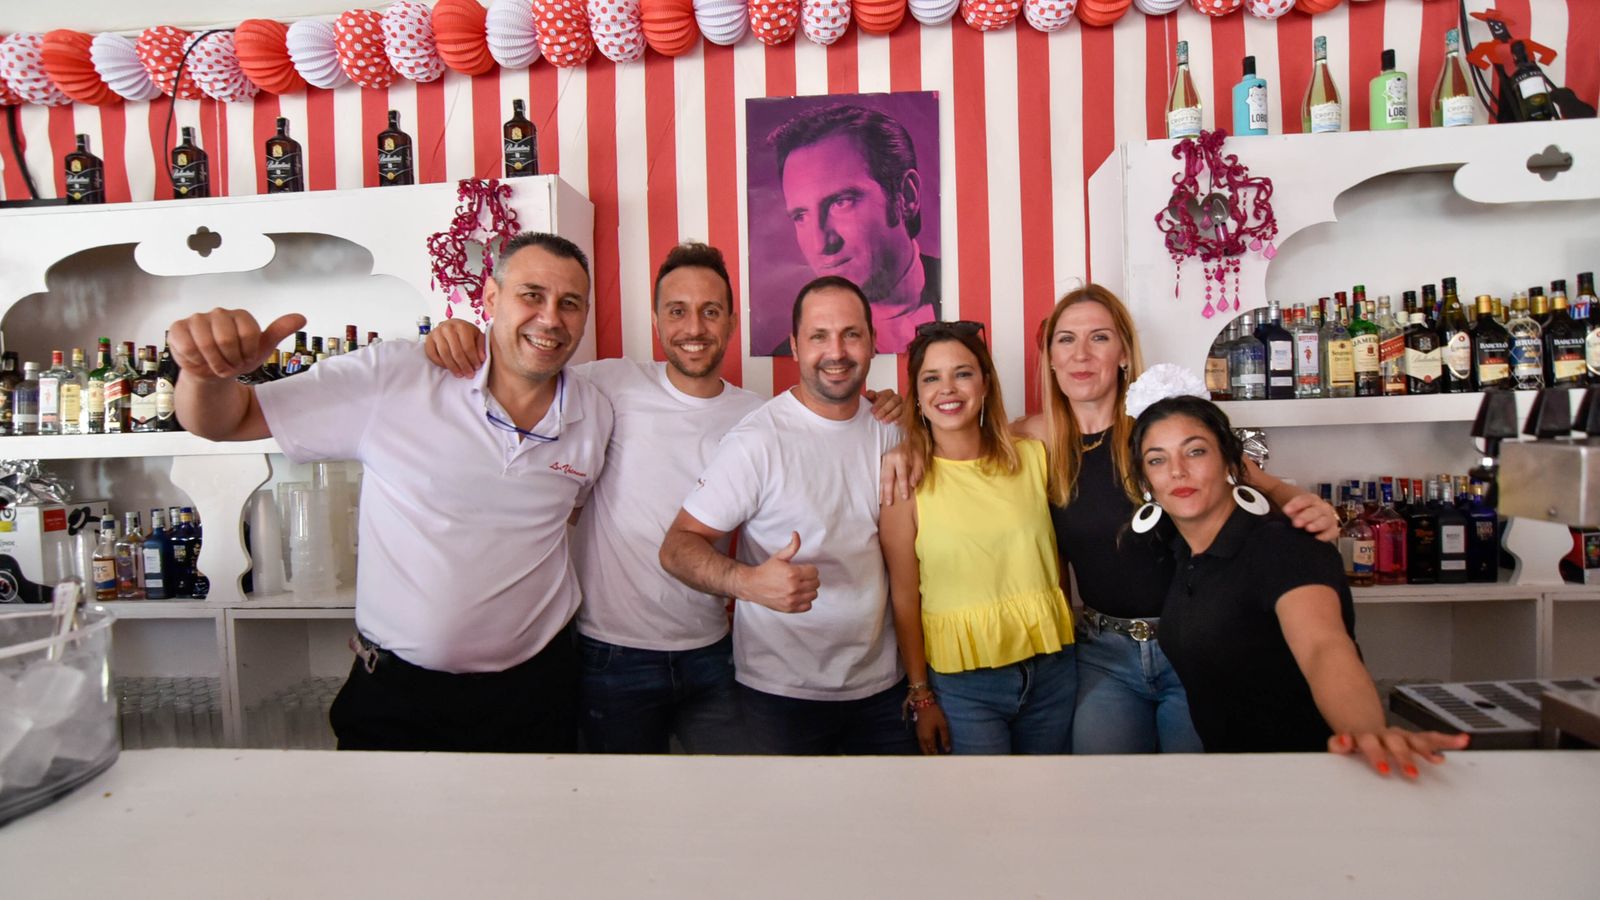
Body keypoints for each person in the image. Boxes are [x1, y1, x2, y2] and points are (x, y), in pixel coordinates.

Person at [423, 242, 902, 754]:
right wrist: (467, 334)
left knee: (730, 807)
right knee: (626, 813)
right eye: (677, 311)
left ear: (731, 323)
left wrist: (889, 408)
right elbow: (523, 367)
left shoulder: (755, 417)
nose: (694, 328)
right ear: (655, 322)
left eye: (710, 311)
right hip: (612, 654)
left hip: (713, 653)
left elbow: (825, 423)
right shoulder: (606, 385)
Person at [168, 232, 611, 753]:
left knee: (532, 833)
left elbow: (568, 519)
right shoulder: (396, 376)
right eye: (531, 295)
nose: (551, 318)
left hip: (537, 691)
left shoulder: (596, 413)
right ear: (491, 298)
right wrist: (205, 374)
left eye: (570, 303)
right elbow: (227, 420)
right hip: (399, 696)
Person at [884, 285, 1338, 754]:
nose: (1081, 354)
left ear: (1123, 352)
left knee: (1195, 798)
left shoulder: (1157, 426)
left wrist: (1294, 497)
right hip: (1102, 654)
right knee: (1102, 799)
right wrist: (905, 446)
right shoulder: (1033, 442)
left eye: (1098, 338)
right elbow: (959, 439)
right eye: (1065, 340)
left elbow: (1242, 473)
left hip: (1192, 640)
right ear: (1051, 359)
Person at [1128, 387, 1469, 775]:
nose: (1177, 471)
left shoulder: (1283, 544)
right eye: (1157, 460)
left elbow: (1323, 646)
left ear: (1230, 462)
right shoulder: (1180, 549)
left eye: (1195, 451)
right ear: (1146, 481)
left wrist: (1365, 732)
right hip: (1237, 779)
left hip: (1314, 775)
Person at [660, 275, 915, 755]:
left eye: (851, 334)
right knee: (786, 829)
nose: (836, 351)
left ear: (872, 342)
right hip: (778, 695)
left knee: (888, 826)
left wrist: (913, 430)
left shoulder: (889, 429)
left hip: (882, 688)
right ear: (795, 346)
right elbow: (677, 547)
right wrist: (748, 583)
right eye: (819, 336)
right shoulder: (757, 441)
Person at [880, 321, 1075, 755]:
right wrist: (921, 695)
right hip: (965, 686)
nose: (947, 389)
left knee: (1054, 806)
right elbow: (904, 598)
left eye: (963, 373)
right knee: (980, 812)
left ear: (985, 383)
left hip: (1053, 670)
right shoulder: (905, 479)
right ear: (917, 393)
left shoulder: (1033, 452)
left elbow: (1112, 418)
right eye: (931, 378)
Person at [764, 104, 940, 355]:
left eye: (840, 202)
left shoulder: (984, 302)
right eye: (801, 216)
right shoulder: (783, 358)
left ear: (906, 196)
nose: (820, 244)